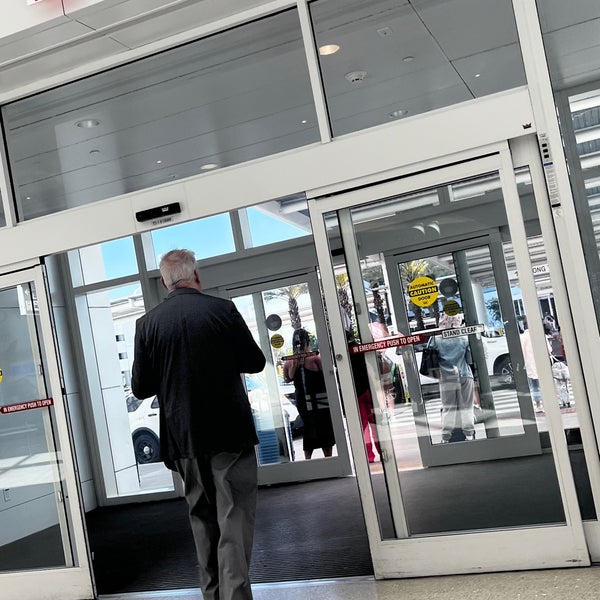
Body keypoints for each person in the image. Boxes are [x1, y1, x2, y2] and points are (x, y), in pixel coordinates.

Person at [131, 249, 266, 600]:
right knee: (233, 515)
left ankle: (212, 594)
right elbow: (255, 362)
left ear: (165, 282)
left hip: (182, 438)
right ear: (197, 276)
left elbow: (141, 387)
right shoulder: (222, 311)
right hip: (229, 434)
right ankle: (234, 596)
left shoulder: (147, 325)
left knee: (201, 519)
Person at [283, 328, 335, 459]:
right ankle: (329, 458)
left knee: (309, 427)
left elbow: (287, 378)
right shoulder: (314, 357)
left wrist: (295, 365)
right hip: (320, 397)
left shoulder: (289, 361)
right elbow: (327, 374)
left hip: (302, 399)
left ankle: (308, 460)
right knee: (324, 426)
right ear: (307, 341)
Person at [435, 314, 475, 443]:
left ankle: (445, 437)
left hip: (446, 377)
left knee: (448, 408)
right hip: (464, 375)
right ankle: (469, 435)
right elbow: (469, 359)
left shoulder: (436, 338)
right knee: (467, 407)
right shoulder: (463, 337)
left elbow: (430, 357)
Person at [520, 316, 551, 413]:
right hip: (543, 363)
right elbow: (549, 350)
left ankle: (538, 405)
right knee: (545, 384)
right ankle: (548, 403)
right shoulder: (540, 335)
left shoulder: (523, 337)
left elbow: (522, 352)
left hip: (530, 364)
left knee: (535, 386)